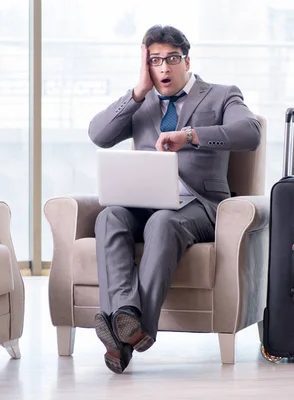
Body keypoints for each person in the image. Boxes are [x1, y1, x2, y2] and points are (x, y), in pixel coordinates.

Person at [88, 24, 261, 374]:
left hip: (200, 205)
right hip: (146, 200)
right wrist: (138, 91)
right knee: (109, 217)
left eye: (172, 59)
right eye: (155, 61)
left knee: (163, 221)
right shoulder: (142, 104)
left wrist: (191, 135)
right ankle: (127, 322)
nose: (164, 68)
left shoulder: (221, 95)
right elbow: (99, 134)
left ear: (187, 59)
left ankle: (125, 335)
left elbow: (250, 133)